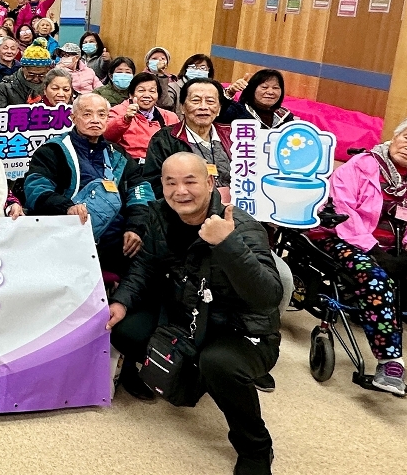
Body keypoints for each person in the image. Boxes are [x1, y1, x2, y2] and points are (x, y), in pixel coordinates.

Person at [109, 152, 282, 475]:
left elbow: (268, 297)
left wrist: (227, 244)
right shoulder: (160, 214)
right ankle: (191, 378)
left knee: (218, 363)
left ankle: (256, 447)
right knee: (125, 329)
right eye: (170, 183)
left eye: (190, 181)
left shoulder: (241, 226)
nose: (180, 191)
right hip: (186, 317)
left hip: (240, 329)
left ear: (210, 182)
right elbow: (145, 266)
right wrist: (121, 301)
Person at [322, 118, 407, 393]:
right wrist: (374, 251)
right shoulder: (360, 165)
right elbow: (342, 210)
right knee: (376, 279)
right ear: (395, 136)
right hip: (350, 240)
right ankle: (390, 362)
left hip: (402, 248)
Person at [24, 94, 153, 277]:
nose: (95, 120)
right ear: (73, 117)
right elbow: (35, 189)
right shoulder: (53, 150)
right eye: (87, 114)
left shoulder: (117, 153)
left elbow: (140, 189)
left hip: (118, 243)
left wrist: (136, 227)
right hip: (68, 240)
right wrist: (67, 207)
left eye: (101, 114)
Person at [141, 77, 234, 199]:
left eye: (210, 101)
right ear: (183, 107)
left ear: (219, 109)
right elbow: (154, 183)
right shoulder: (164, 139)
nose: (203, 107)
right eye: (196, 100)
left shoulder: (233, 135)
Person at [104, 73, 179, 161]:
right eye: (141, 90)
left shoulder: (170, 116)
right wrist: (125, 119)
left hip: (162, 164)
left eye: (152, 91)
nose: (147, 95)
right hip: (130, 164)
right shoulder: (117, 111)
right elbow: (106, 137)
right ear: (131, 94)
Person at [167, 54, 249, 115]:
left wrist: (230, 93)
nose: (198, 70)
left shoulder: (215, 89)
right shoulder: (173, 87)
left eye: (202, 68)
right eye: (193, 67)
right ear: (186, 69)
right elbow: (166, 106)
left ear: (209, 71)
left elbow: (222, 113)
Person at [222, 69, 294, 128]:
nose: (270, 92)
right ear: (252, 89)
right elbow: (219, 115)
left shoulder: (285, 117)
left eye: (275, 88)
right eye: (264, 87)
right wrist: (230, 93)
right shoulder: (237, 110)